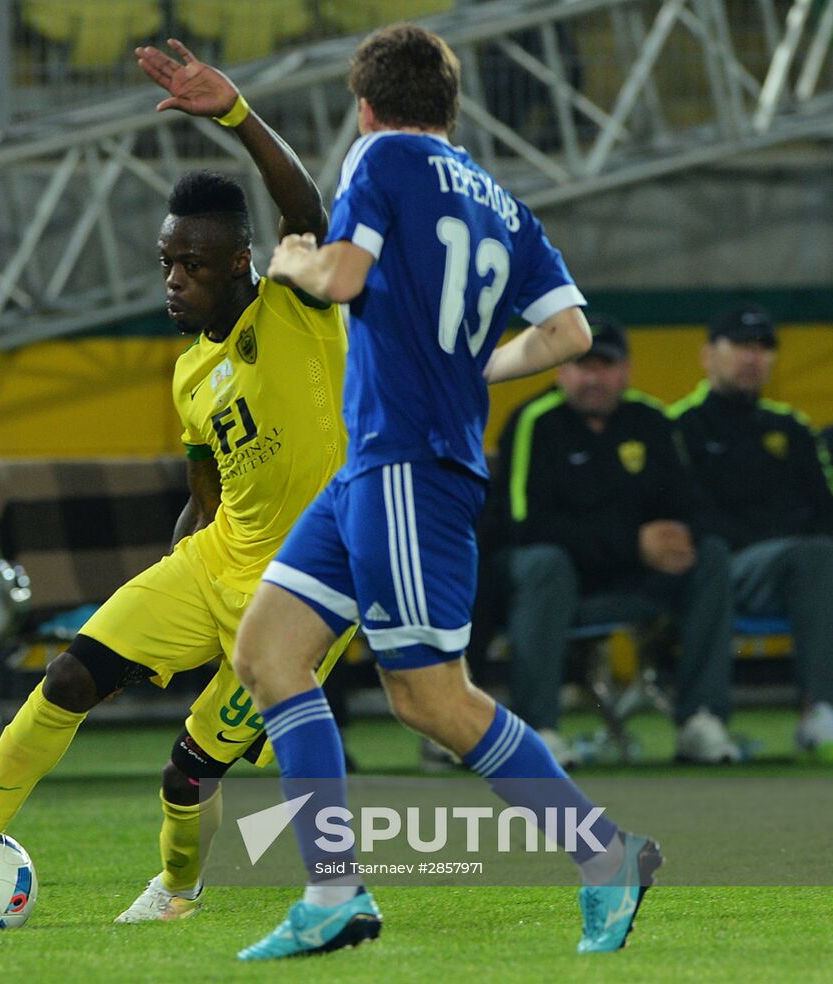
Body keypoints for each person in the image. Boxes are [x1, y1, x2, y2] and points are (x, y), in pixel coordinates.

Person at [0, 40, 357, 923]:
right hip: (214, 563)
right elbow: (206, 489)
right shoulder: (186, 374)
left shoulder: (298, 309)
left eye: (195, 267)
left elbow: (308, 211)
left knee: (187, 773)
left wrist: (237, 117)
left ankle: (178, 892)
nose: (175, 281)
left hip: (305, 593)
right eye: (167, 263)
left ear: (242, 263)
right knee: (66, 678)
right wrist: (172, 588)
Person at [233, 24, 658, 961]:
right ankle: (333, 891)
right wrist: (470, 367)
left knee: (431, 699)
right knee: (268, 650)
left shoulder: (379, 155)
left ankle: (604, 855)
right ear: (450, 108)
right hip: (377, 465)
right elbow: (571, 334)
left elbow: (344, 275)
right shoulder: (502, 201)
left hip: (408, 464)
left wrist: (293, 261)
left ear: (368, 105)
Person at [493, 315, 738, 765]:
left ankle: (701, 719)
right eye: (581, 365)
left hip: (631, 578)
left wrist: (684, 537)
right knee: (545, 563)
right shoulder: (535, 423)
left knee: (712, 556)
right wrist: (633, 543)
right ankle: (538, 727)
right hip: (558, 579)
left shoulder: (650, 420)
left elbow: (694, 503)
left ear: (625, 370)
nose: (593, 378)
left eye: (605, 366)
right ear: (559, 370)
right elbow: (525, 526)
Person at [669, 305, 833, 762]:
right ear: (708, 355)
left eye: (764, 348)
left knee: (822, 555)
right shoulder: (678, 427)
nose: (754, 358)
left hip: (798, 572)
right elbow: (684, 510)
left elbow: (831, 511)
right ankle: (809, 710)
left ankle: (819, 713)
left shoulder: (793, 428)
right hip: (717, 568)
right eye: (741, 346)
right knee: (811, 556)